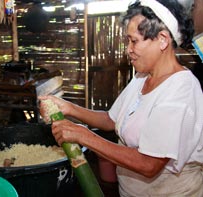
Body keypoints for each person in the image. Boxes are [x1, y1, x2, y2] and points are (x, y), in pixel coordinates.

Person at [39, 0, 203, 196]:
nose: (128, 49)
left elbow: (149, 164)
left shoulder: (181, 90)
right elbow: (111, 119)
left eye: (134, 41)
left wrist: (83, 135)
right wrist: (67, 107)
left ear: (162, 39)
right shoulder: (143, 78)